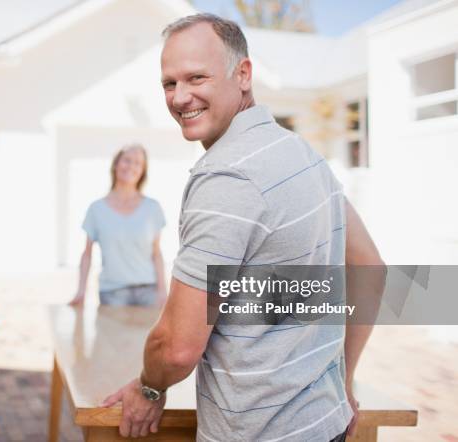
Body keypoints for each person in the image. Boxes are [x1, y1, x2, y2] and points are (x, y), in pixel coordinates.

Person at [101, 14, 385, 441]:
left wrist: (149, 387)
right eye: (169, 83)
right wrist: (341, 383)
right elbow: (370, 269)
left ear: (243, 74)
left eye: (197, 77)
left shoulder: (226, 178)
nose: (180, 98)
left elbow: (177, 347)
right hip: (325, 427)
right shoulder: (302, 154)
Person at [69, 144, 167, 307]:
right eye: (127, 160)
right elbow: (87, 254)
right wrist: (81, 290)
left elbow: (156, 253)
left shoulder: (152, 208)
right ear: (116, 164)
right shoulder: (96, 209)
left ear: (143, 171)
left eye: (138, 163)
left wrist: (163, 291)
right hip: (112, 293)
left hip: (149, 292)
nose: (131, 166)